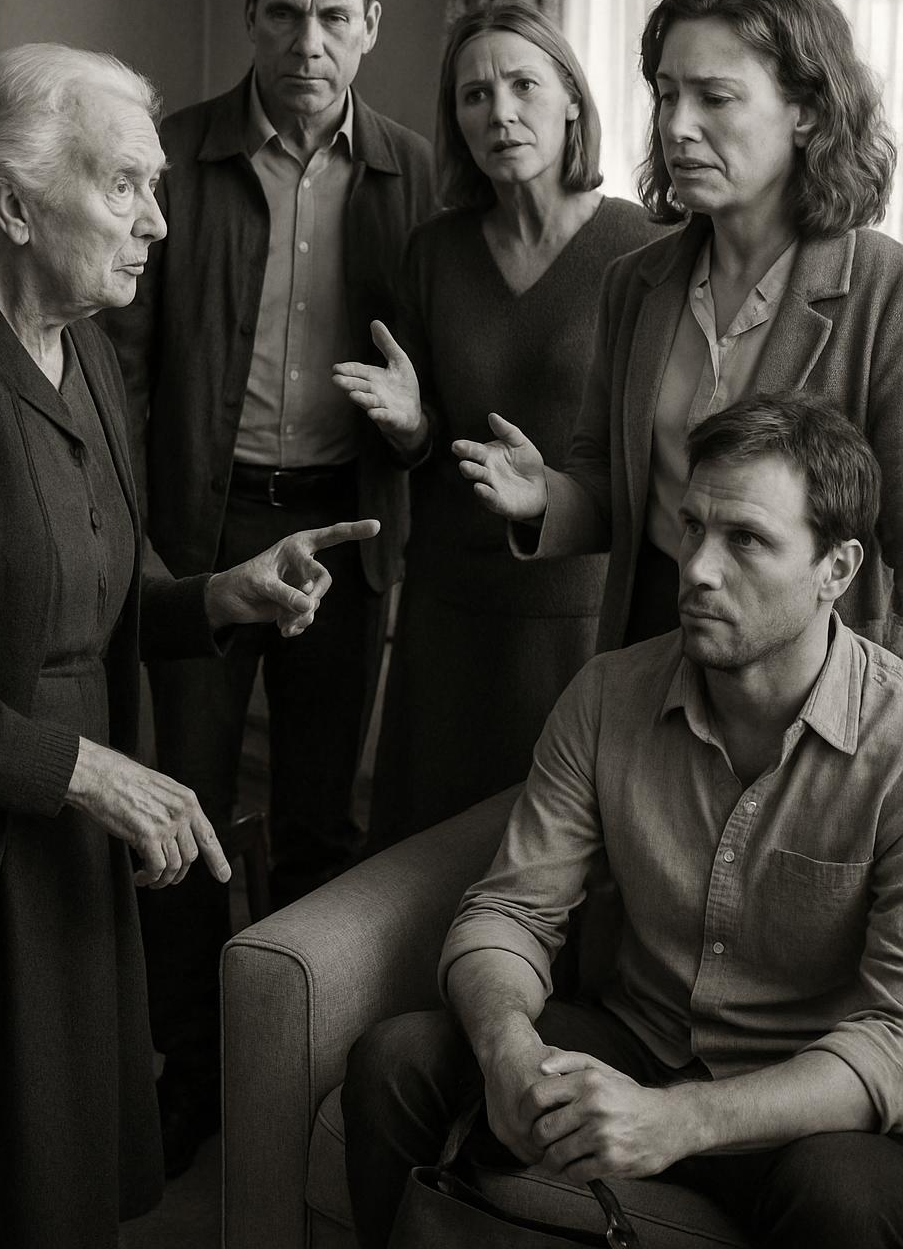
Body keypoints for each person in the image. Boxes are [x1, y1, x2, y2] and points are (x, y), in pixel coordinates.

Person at [0, 42, 379, 1249]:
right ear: (14, 204)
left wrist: (218, 598)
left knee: (61, 1193)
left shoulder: (86, 344)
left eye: (155, 186)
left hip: (75, 851)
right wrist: (83, 771)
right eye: (124, 187)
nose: (157, 221)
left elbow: (97, 583)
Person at [343, 393, 903, 1249]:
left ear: (837, 568)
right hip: (637, 1043)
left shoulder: (895, 746)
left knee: (853, 1203)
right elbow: (510, 910)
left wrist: (682, 1120)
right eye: (693, 528)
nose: (698, 569)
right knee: (398, 1063)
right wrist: (506, 1050)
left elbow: (895, 1036)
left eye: (746, 539)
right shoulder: (608, 694)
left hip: (802, 1100)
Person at [100, 0, 434, 1173]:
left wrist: (414, 428)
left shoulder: (413, 174)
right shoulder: (175, 157)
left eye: (334, 16)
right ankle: (191, 1079)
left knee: (319, 825)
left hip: (344, 530)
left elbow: (440, 391)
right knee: (180, 815)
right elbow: (119, 370)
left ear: (370, 27)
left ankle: (292, 1081)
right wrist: (137, 543)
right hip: (202, 530)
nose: (308, 41)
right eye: (284, 13)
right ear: (248, 18)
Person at [454, 0, 903, 654]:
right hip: (653, 639)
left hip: (812, 664)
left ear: (807, 111)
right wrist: (545, 495)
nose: (677, 126)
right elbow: (608, 487)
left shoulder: (882, 287)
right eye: (666, 96)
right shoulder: (636, 283)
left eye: (714, 97)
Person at [333, 3, 659, 845]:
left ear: (572, 99)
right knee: (421, 856)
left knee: (561, 856)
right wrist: (411, 424)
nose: (501, 112)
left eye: (523, 85)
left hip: (579, 612)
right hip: (448, 607)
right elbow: (421, 443)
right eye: (475, 95)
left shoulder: (644, 245)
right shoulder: (433, 251)